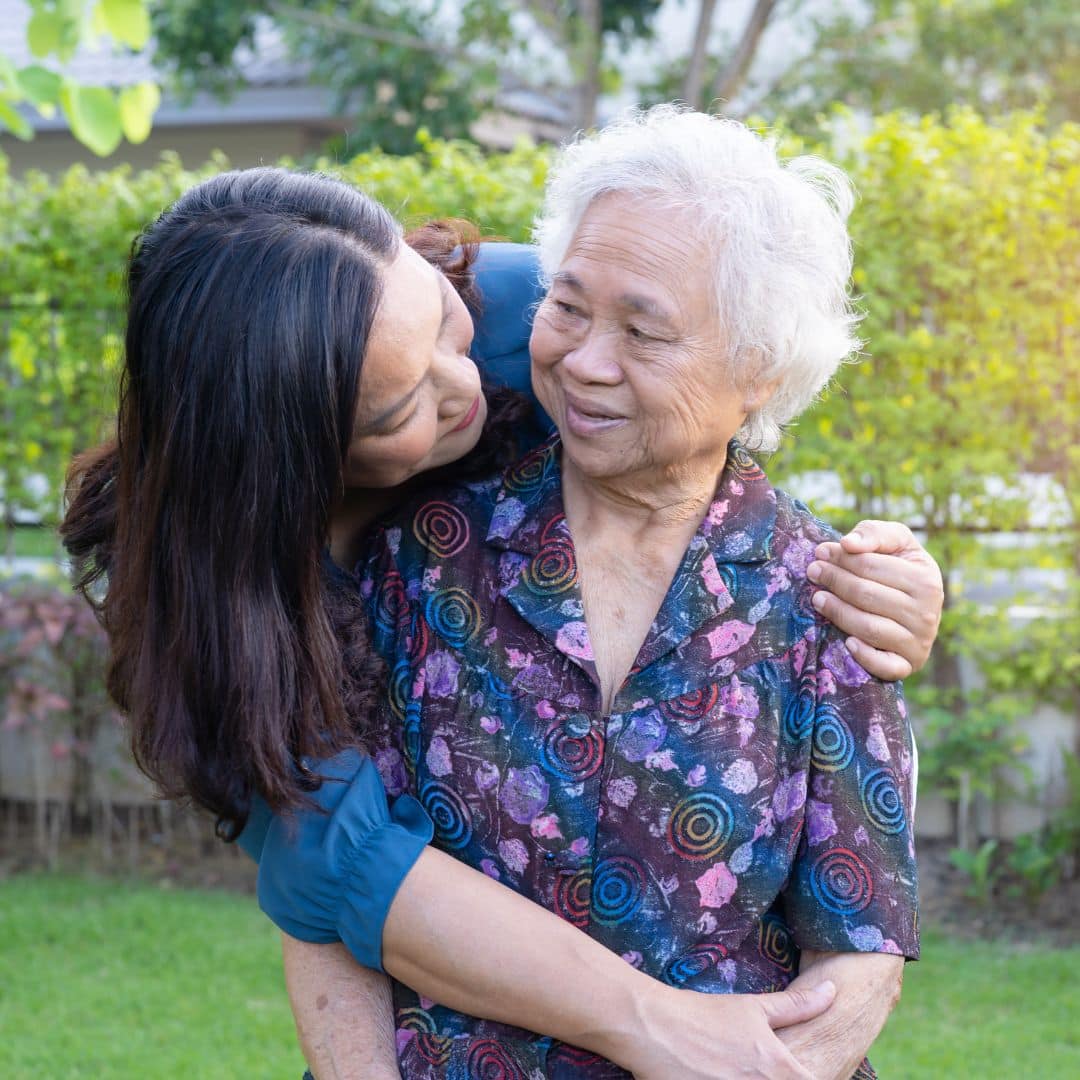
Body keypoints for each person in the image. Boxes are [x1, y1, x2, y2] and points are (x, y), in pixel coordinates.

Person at [57, 150, 936, 1079]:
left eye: (445, 325)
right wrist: (650, 1025)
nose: (472, 382)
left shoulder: (537, 306)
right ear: (308, 455)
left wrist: (895, 589)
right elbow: (332, 882)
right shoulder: (330, 585)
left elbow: (860, 932)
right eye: (403, 402)